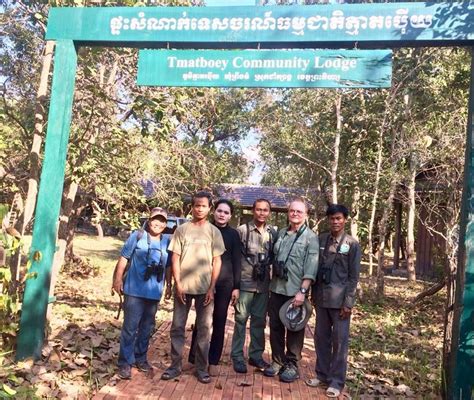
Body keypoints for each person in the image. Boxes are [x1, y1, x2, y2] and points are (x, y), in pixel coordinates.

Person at [161, 191, 225, 384]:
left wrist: (211, 287)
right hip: (183, 288)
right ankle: (175, 366)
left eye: (204, 206)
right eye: (197, 205)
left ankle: (201, 368)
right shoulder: (182, 230)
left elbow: (217, 261)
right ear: (192, 207)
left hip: (205, 289)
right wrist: (177, 284)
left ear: (209, 208)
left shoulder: (214, 231)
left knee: (204, 329)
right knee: (177, 327)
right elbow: (175, 258)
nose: (200, 208)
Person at [306, 204, 361, 398]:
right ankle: (321, 375)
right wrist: (313, 294)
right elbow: (315, 269)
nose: (335, 222)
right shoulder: (321, 239)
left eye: (338, 218)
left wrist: (349, 302)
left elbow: (354, 277)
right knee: (321, 339)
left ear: (345, 219)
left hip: (340, 303)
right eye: (332, 218)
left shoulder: (352, 244)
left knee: (340, 342)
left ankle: (336, 381)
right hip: (321, 299)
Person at [263, 198, 319, 383]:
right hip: (277, 287)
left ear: (306, 215)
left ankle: (292, 365)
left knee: (294, 328)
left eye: (299, 212)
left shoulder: (310, 237)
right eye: (292, 211)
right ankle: (277, 361)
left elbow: (311, 268)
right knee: (276, 326)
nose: (295, 214)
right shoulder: (281, 233)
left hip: (295, 291)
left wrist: (302, 292)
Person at [112, 207, 171, 380]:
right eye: (155, 219)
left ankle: (140, 358)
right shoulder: (137, 236)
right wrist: (117, 280)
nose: (158, 224)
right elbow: (123, 258)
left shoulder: (166, 242)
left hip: (154, 292)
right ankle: (124, 362)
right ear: (149, 220)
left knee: (147, 327)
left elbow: (168, 267)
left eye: (162, 221)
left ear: (165, 224)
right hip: (134, 290)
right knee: (130, 328)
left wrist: (169, 286)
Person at [189, 199, 242, 376]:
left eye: (226, 212)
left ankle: (213, 360)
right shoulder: (204, 229)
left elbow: (236, 261)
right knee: (202, 321)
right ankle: (194, 358)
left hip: (225, 283)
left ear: (230, 216)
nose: (222, 214)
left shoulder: (234, 235)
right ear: (214, 211)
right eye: (220, 211)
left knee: (219, 320)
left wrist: (236, 287)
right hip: (204, 281)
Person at [231, 198, 276, 374]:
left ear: (269, 212)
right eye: (258, 209)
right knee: (241, 321)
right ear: (253, 210)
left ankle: (256, 355)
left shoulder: (273, 233)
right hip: (245, 284)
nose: (262, 213)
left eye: (265, 210)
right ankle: (237, 356)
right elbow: (234, 259)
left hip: (263, 286)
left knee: (259, 322)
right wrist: (234, 285)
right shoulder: (242, 231)